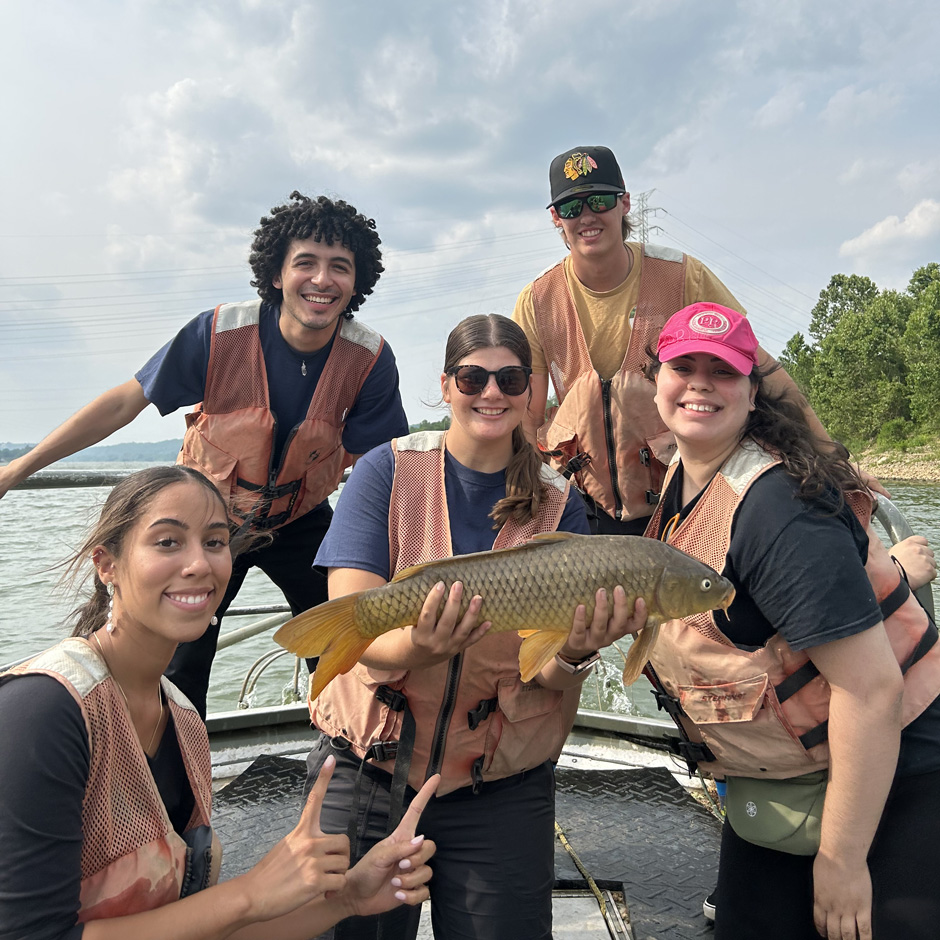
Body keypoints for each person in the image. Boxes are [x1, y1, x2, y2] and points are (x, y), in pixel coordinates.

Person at [304, 314, 649, 939]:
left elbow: (543, 673)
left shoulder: (559, 501)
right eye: (473, 377)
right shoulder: (385, 471)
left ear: (532, 392)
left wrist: (575, 651)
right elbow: (353, 615)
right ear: (445, 385)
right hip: (367, 771)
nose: (492, 393)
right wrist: (418, 644)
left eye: (510, 378)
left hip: (498, 784)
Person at [0, 193, 409, 715]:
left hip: (303, 520)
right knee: (179, 663)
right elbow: (126, 402)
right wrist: (18, 468)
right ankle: (168, 775)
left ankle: (346, 755)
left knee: (345, 642)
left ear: (358, 281)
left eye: (340, 267)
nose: (322, 280)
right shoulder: (219, 333)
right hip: (210, 519)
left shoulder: (369, 357)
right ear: (277, 274)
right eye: (305, 262)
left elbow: (385, 467)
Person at [0, 466, 438, 940]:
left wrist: (350, 896)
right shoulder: (45, 711)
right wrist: (249, 893)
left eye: (214, 542)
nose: (199, 564)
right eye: (167, 542)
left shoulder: (184, 721)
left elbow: (202, 929)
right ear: (106, 565)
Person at [640, 302, 940, 939]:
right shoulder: (682, 477)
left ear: (752, 391)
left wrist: (842, 860)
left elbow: (871, 688)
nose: (699, 383)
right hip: (792, 777)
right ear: (656, 382)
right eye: (682, 366)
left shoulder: (777, 510)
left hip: (899, 771)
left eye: (721, 371)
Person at [511, 144, 882, 536]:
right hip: (582, 505)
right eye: (571, 208)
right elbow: (527, 418)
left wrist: (830, 459)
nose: (587, 216)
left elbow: (760, 368)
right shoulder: (538, 300)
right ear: (555, 217)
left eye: (600, 201)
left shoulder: (682, 276)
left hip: (683, 496)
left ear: (624, 203)